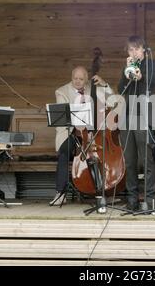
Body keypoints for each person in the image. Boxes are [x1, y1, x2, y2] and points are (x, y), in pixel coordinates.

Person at [50, 66, 113, 206]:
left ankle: (102, 192)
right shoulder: (61, 91)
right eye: (75, 78)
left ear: (86, 79)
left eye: (81, 79)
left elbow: (113, 101)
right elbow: (63, 117)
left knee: (98, 154)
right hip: (71, 132)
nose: (77, 81)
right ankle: (60, 193)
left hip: (91, 133)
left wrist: (105, 85)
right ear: (71, 77)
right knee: (64, 152)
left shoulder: (94, 88)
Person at [117, 36, 155, 211]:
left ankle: (149, 200)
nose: (133, 52)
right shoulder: (127, 67)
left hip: (144, 116)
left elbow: (151, 85)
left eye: (136, 49)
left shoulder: (153, 65)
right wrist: (127, 72)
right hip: (128, 116)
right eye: (130, 49)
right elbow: (121, 89)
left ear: (143, 49)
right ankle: (132, 200)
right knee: (130, 161)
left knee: (146, 160)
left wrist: (138, 74)